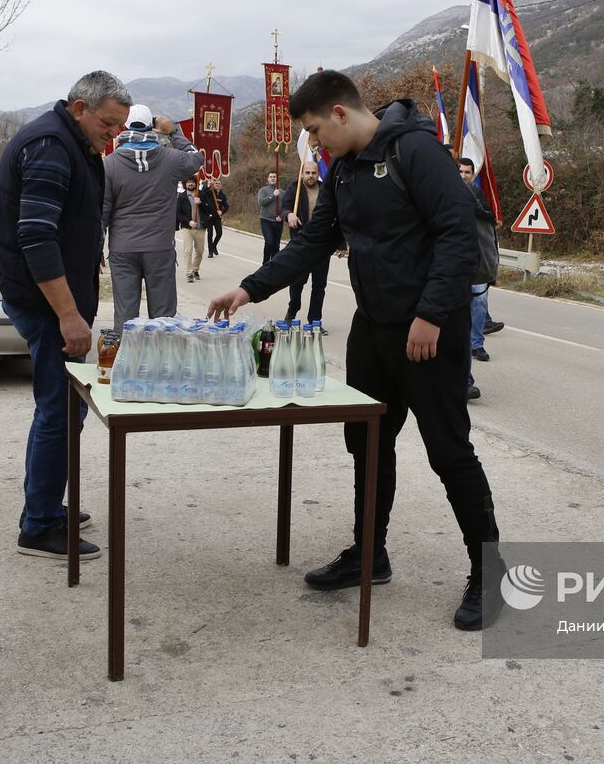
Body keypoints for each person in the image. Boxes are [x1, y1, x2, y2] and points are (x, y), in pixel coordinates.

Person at [206, 70, 502, 630]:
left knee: (449, 451)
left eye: (316, 131)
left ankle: (490, 573)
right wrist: (250, 289)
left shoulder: (418, 151)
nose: (315, 144)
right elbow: (316, 241)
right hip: (375, 328)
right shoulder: (343, 169)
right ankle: (371, 553)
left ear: (340, 113)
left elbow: (456, 236)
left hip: (429, 331)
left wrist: (432, 314)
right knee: (366, 442)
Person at [0, 70, 131, 561]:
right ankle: (39, 525)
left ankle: (45, 503)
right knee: (59, 408)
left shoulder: (71, 141)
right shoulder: (49, 146)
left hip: (52, 294)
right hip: (45, 303)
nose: (113, 135)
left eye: (120, 127)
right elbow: (36, 236)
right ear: (79, 108)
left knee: (67, 405)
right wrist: (68, 316)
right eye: (108, 124)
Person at [102, 104, 204, 328]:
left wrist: (95, 249)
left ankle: (127, 359)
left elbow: (103, 213)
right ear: (152, 128)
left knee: (126, 318)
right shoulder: (171, 159)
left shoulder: (108, 164)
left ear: (124, 127)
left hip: (122, 248)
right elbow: (197, 158)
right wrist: (173, 131)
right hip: (159, 247)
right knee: (163, 319)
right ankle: (161, 362)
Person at [459, 157, 498, 399]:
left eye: (467, 172)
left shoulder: (476, 196)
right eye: (459, 171)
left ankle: (466, 376)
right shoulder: (438, 195)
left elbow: (488, 226)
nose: (463, 175)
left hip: (472, 270)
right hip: (443, 273)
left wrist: (488, 269)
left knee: (473, 312)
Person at [283, 159, 330, 324]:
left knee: (319, 286)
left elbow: (337, 216)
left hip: (322, 245)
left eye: (313, 173)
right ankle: (292, 310)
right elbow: (284, 207)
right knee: (297, 282)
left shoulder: (326, 190)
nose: (310, 176)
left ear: (318, 174)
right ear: (302, 173)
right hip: (301, 243)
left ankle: (315, 321)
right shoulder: (295, 189)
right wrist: (289, 215)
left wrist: (340, 244)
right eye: (307, 173)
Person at [177, 176, 205, 282]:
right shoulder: (182, 197)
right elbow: (178, 213)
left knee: (200, 251)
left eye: (192, 182)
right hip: (187, 228)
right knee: (188, 251)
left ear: (196, 183)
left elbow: (209, 209)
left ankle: (195, 269)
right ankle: (189, 273)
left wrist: (201, 203)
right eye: (188, 182)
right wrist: (188, 221)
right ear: (185, 184)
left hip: (200, 227)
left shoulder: (201, 194)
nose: (190, 184)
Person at [257, 171, 284, 263]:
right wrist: (273, 195)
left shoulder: (283, 192)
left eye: (274, 177)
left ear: (277, 179)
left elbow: (285, 207)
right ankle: (265, 263)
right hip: (266, 220)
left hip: (278, 221)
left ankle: (274, 265)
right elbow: (261, 202)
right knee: (269, 242)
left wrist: (281, 216)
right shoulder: (263, 190)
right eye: (271, 177)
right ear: (268, 179)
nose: (273, 178)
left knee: (276, 246)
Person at [203, 177, 228, 258]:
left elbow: (226, 206)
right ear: (213, 185)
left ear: (221, 186)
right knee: (210, 234)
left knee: (219, 233)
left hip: (217, 218)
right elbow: (203, 192)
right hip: (209, 217)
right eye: (216, 183)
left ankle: (214, 246)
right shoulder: (209, 192)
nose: (217, 184)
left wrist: (222, 211)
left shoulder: (222, 195)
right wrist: (208, 185)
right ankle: (210, 251)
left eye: (219, 183)